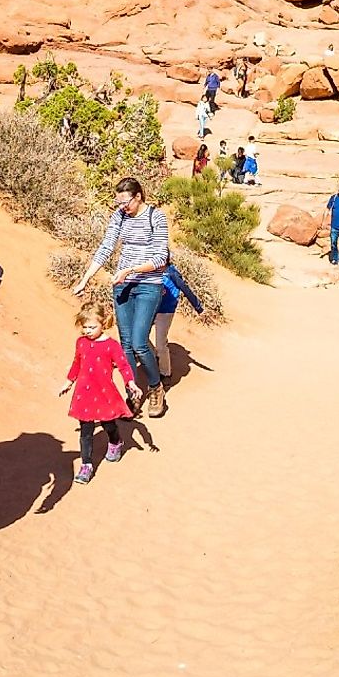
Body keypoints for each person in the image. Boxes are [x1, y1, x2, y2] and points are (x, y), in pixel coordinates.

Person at [73, 176, 171, 418]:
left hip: (148, 284)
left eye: (126, 202)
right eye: (118, 202)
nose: (122, 207)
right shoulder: (120, 216)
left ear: (138, 197)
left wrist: (131, 270)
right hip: (122, 285)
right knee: (125, 343)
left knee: (139, 342)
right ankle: (133, 392)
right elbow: (106, 247)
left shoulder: (154, 217)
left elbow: (161, 257)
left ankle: (155, 386)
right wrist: (85, 279)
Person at [61, 296, 135, 483]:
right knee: (86, 431)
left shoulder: (111, 345)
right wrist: (69, 382)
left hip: (103, 393)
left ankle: (116, 441)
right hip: (84, 393)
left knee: (108, 424)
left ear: (103, 323)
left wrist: (130, 383)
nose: (87, 331)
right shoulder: (81, 342)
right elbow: (77, 363)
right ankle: (86, 465)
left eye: (92, 327)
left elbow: (124, 366)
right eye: (84, 327)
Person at [150, 253, 205, 382]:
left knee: (160, 343)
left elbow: (185, 289)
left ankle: (165, 373)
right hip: (151, 309)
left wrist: (199, 308)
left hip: (166, 311)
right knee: (140, 336)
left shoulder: (172, 273)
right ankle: (153, 356)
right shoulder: (151, 271)